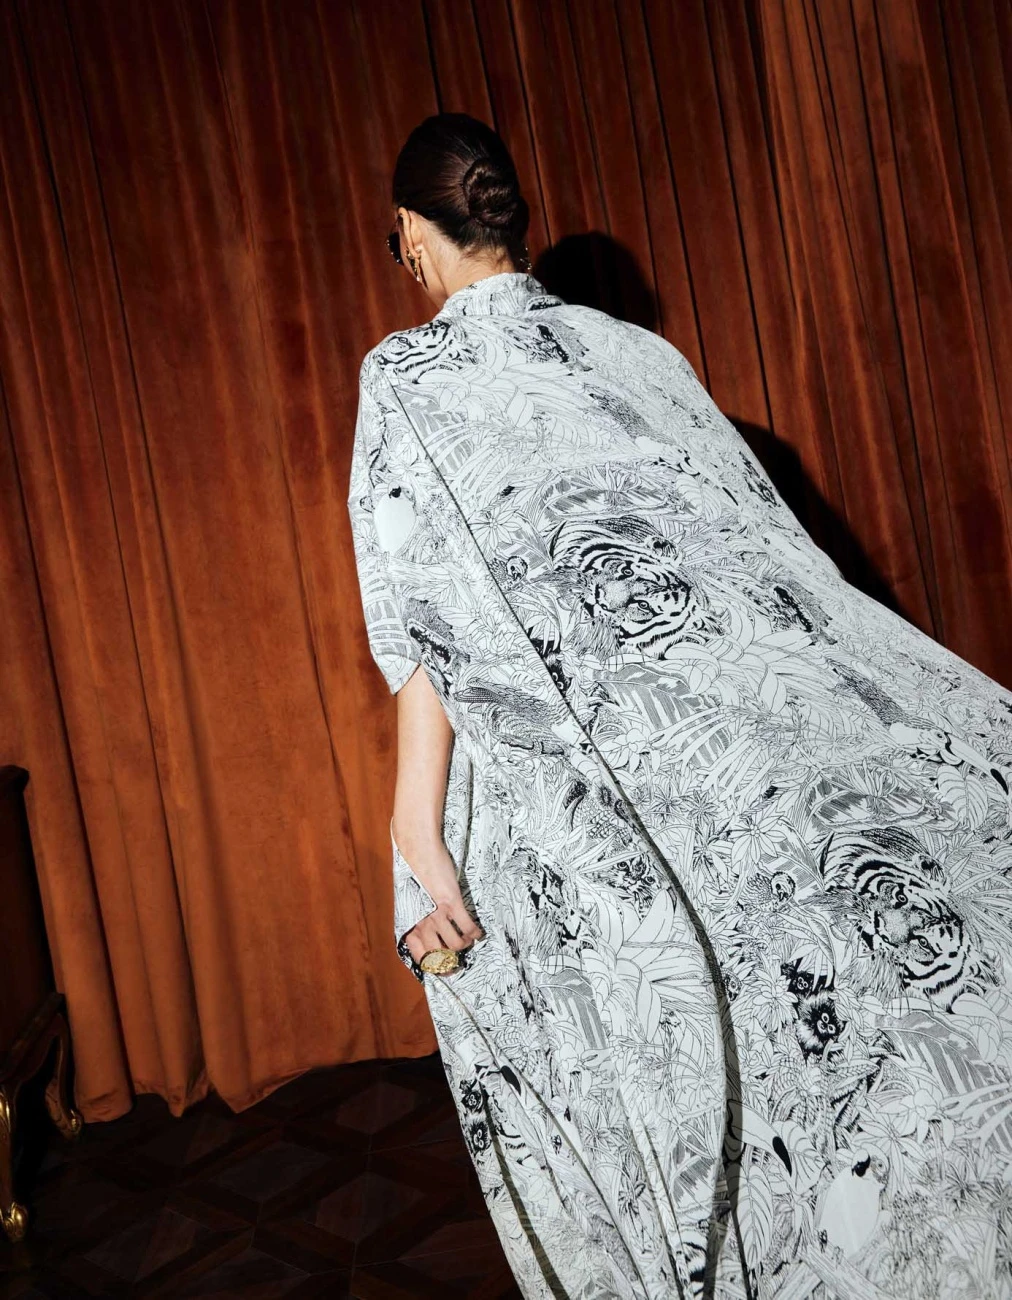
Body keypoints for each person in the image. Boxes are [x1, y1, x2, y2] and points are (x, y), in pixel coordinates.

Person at [346, 111, 1012, 1300]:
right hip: (745, 768)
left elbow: (429, 626)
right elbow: (779, 571)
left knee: (658, 1077)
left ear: (411, 233)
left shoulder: (406, 376)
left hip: (583, 809)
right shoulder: (642, 357)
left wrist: (414, 832)